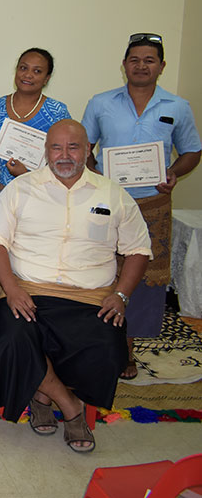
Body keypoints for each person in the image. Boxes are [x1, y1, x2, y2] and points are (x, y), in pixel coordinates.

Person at [0, 120, 151, 452]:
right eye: (56, 148)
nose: (63, 155)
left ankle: (42, 393)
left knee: (108, 346)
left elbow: (138, 249)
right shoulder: (20, 188)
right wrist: (12, 288)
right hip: (26, 291)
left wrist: (121, 295)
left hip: (90, 298)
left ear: (88, 150)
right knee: (13, 336)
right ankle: (70, 407)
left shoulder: (113, 194)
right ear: (46, 151)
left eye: (73, 147)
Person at [81, 33, 201, 379]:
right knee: (101, 271)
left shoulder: (177, 107)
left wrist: (174, 173)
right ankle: (97, 343)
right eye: (135, 60)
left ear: (161, 66)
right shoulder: (101, 103)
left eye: (149, 60)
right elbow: (85, 148)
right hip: (107, 202)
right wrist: (95, 173)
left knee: (146, 279)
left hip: (153, 204)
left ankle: (127, 350)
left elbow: (192, 151)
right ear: (124, 65)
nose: (141, 66)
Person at [0, 47, 71, 307]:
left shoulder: (57, 112)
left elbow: (65, 161)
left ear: (47, 78)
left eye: (37, 70)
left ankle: (30, 323)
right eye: (23, 67)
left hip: (37, 200)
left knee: (30, 261)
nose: (28, 75)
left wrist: (30, 175)